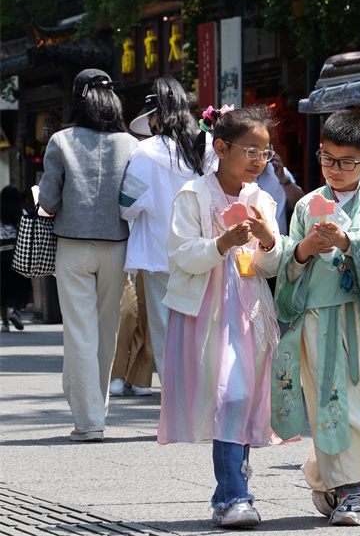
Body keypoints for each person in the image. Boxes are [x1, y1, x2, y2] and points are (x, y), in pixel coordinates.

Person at [271, 110, 360, 526]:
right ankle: (352, 495)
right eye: (327, 159)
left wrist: (349, 241)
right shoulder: (306, 206)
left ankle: (326, 477)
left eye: (347, 162)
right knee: (336, 405)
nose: (335, 169)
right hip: (320, 320)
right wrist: (303, 250)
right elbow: (288, 260)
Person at [157, 105, 288, 528]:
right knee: (230, 397)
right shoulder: (193, 195)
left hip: (250, 309)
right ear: (220, 147)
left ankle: (231, 495)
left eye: (265, 153)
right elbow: (180, 255)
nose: (258, 160)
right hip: (210, 311)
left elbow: (273, 266)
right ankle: (233, 495)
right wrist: (222, 242)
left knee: (245, 400)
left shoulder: (261, 198)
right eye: (251, 150)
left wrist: (269, 242)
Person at [38, 69, 138, 442]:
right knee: (107, 331)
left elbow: (48, 201)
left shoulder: (61, 141)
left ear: (78, 98)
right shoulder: (130, 145)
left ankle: (89, 421)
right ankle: (96, 412)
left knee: (79, 332)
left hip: (73, 246)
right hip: (117, 246)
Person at [120, 77, 203, 381]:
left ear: (155, 116)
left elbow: (127, 205)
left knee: (166, 332)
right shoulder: (204, 147)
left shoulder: (144, 153)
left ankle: (176, 408)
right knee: (200, 333)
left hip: (159, 254)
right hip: (202, 254)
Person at [109, 271, 154, 396]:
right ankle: (117, 374)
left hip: (149, 257)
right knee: (126, 312)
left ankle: (138, 377)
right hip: (122, 258)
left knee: (147, 312)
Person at [1, 185, 31, 332]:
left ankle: (4, 322)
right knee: (21, 287)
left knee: (3, 291)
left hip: (1, 257)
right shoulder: (22, 213)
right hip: (18, 256)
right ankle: (17, 312)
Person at [255, 150, 304, 235]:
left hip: (278, 241)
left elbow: (301, 205)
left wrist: (283, 178)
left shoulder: (279, 172)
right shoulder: (239, 172)